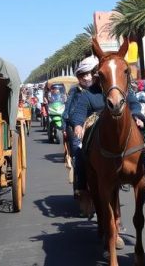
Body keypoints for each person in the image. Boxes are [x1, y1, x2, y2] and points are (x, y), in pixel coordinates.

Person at [65, 56, 99, 200]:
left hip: (102, 125)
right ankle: (81, 185)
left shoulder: (104, 88)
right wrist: (76, 125)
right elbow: (68, 113)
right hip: (79, 127)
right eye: (83, 74)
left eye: (90, 73)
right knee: (79, 151)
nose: (87, 77)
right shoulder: (75, 92)